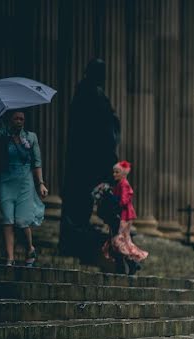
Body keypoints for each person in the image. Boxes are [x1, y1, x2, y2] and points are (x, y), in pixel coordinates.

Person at [61, 58, 121, 259]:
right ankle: (75, 242)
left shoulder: (89, 93)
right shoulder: (91, 94)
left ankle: (77, 241)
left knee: (82, 202)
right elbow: (102, 130)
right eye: (100, 71)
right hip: (88, 159)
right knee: (80, 202)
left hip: (88, 159)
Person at [0, 110, 47, 266]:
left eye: (22, 119)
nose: (19, 121)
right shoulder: (4, 135)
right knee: (7, 219)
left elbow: (36, 162)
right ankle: (10, 258)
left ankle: (30, 247)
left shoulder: (31, 137)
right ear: (10, 120)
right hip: (6, 181)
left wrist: (41, 183)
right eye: (16, 118)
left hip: (25, 181)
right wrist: (3, 129)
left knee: (22, 220)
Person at [103, 161, 148, 274]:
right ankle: (127, 265)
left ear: (123, 173)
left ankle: (131, 263)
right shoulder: (118, 184)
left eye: (117, 172)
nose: (114, 174)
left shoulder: (124, 184)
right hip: (119, 216)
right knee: (118, 241)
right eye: (113, 172)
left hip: (125, 216)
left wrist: (112, 198)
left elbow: (123, 201)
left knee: (119, 241)